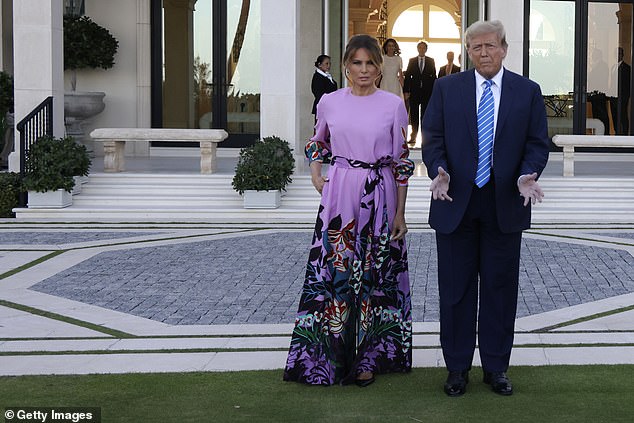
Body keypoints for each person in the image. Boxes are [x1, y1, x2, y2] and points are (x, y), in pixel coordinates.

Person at [422, 20, 549, 397]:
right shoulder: (446, 88)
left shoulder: (527, 91)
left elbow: (537, 143)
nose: (483, 53)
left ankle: (496, 368)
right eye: (475, 47)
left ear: (504, 48)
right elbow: (433, 138)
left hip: (504, 202)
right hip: (455, 201)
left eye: (490, 46)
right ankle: (457, 369)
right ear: (468, 52)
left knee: (499, 289)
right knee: (456, 291)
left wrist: (528, 174)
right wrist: (438, 169)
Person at [284, 34, 415, 387]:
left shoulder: (392, 105)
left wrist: (400, 214)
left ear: (379, 68)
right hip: (340, 194)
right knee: (336, 274)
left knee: (374, 277)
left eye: (370, 63)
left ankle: (369, 359)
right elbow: (317, 142)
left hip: (380, 194)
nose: (363, 70)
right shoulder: (329, 101)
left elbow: (402, 162)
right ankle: (332, 356)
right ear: (345, 66)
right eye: (356, 63)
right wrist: (316, 175)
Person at [403, 40, 436, 144]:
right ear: (418, 49)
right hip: (414, 91)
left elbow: (433, 76)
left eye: (423, 48)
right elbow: (408, 76)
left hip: (427, 92)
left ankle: (425, 138)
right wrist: (406, 91)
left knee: (425, 115)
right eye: (420, 47)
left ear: (426, 49)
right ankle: (413, 136)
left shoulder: (431, 61)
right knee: (414, 115)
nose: (422, 49)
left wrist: (434, 91)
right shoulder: (412, 60)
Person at [311, 54, 338, 122]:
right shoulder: (318, 77)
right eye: (326, 63)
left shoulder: (327, 76)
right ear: (319, 64)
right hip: (323, 108)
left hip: (330, 108)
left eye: (329, 63)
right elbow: (318, 94)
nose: (328, 66)